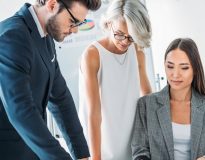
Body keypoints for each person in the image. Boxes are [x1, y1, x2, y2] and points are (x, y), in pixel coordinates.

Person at [0, 0, 101, 159]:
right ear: (52, 4)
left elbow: (61, 99)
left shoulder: (46, 38)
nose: (75, 30)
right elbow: (21, 111)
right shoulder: (12, 36)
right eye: (73, 22)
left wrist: (81, 154)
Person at [77, 0, 152, 159]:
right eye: (119, 34)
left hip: (132, 143)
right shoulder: (92, 55)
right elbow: (93, 114)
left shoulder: (137, 50)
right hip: (101, 143)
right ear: (109, 23)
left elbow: (147, 98)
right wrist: (96, 158)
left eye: (131, 37)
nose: (125, 41)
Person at [131, 38, 205, 160]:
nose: (175, 74)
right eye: (170, 66)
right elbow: (140, 153)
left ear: (195, 70)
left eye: (184, 68)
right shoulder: (146, 105)